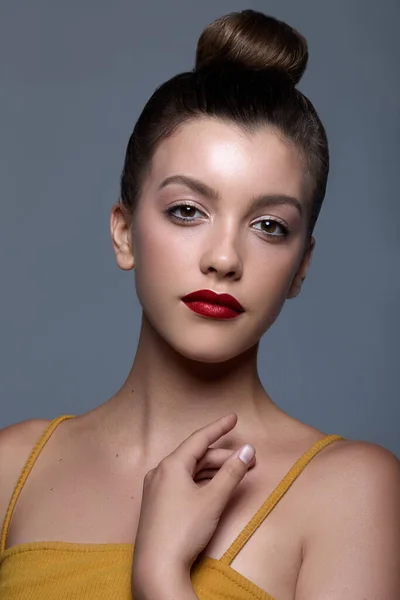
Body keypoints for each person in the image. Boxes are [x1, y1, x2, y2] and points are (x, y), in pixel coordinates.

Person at [0, 8, 399, 600]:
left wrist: (160, 579)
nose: (224, 258)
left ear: (301, 266)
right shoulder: (12, 470)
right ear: (125, 232)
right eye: (187, 210)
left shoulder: (354, 491)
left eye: (268, 225)